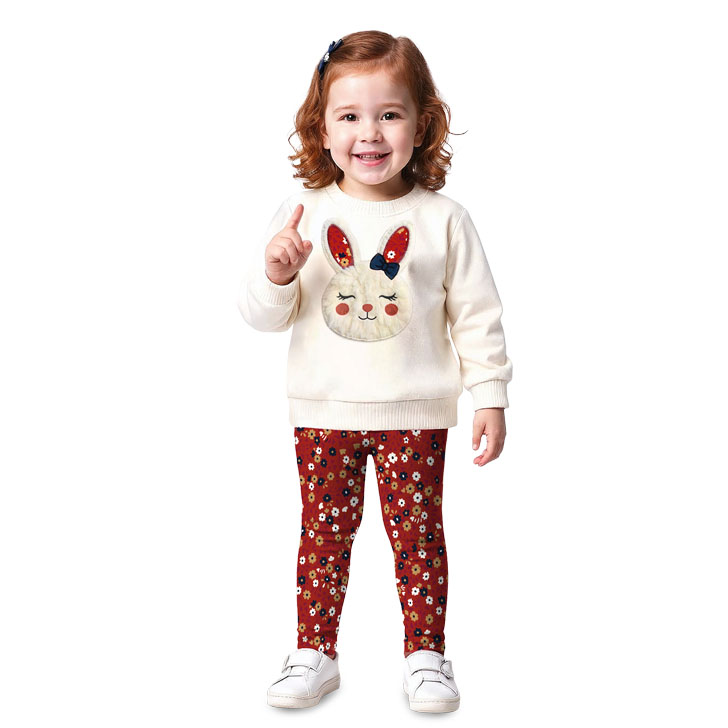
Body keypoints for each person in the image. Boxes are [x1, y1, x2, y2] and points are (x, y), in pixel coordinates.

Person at [238, 30, 513, 713]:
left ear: (421, 125)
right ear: (322, 128)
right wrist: (276, 273)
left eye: (389, 114)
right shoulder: (305, 216)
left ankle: (426, 656)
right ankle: (314, 651)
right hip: (324, 411)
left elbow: (477, 314)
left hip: (414, 413)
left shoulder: (443, 221)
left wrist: (489, 394)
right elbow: (263, 316)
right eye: (349, 116)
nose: (370, 132)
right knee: (323, 538)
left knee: (418, 539)